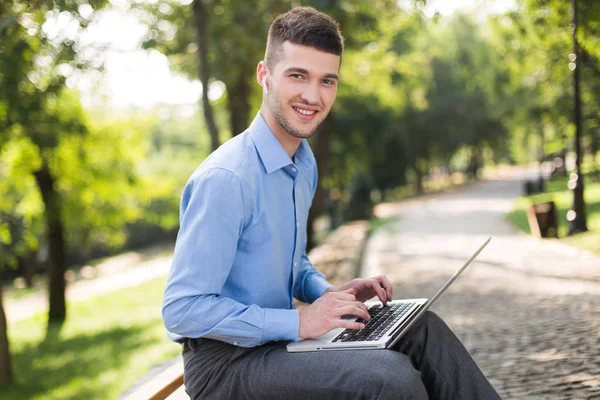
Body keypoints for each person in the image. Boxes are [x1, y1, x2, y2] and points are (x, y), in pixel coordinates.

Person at [162, 6, 501, 399]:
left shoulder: (302, 163)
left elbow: (292, 262)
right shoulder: (227, 179)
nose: (313, 95)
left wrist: (329, 295)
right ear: (264, 76)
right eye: (297, 76)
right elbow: (182, 309)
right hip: (225, 365)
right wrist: (299, 322)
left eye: (327, 81)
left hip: (276, 346)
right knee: (387, 377)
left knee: (422, 329)